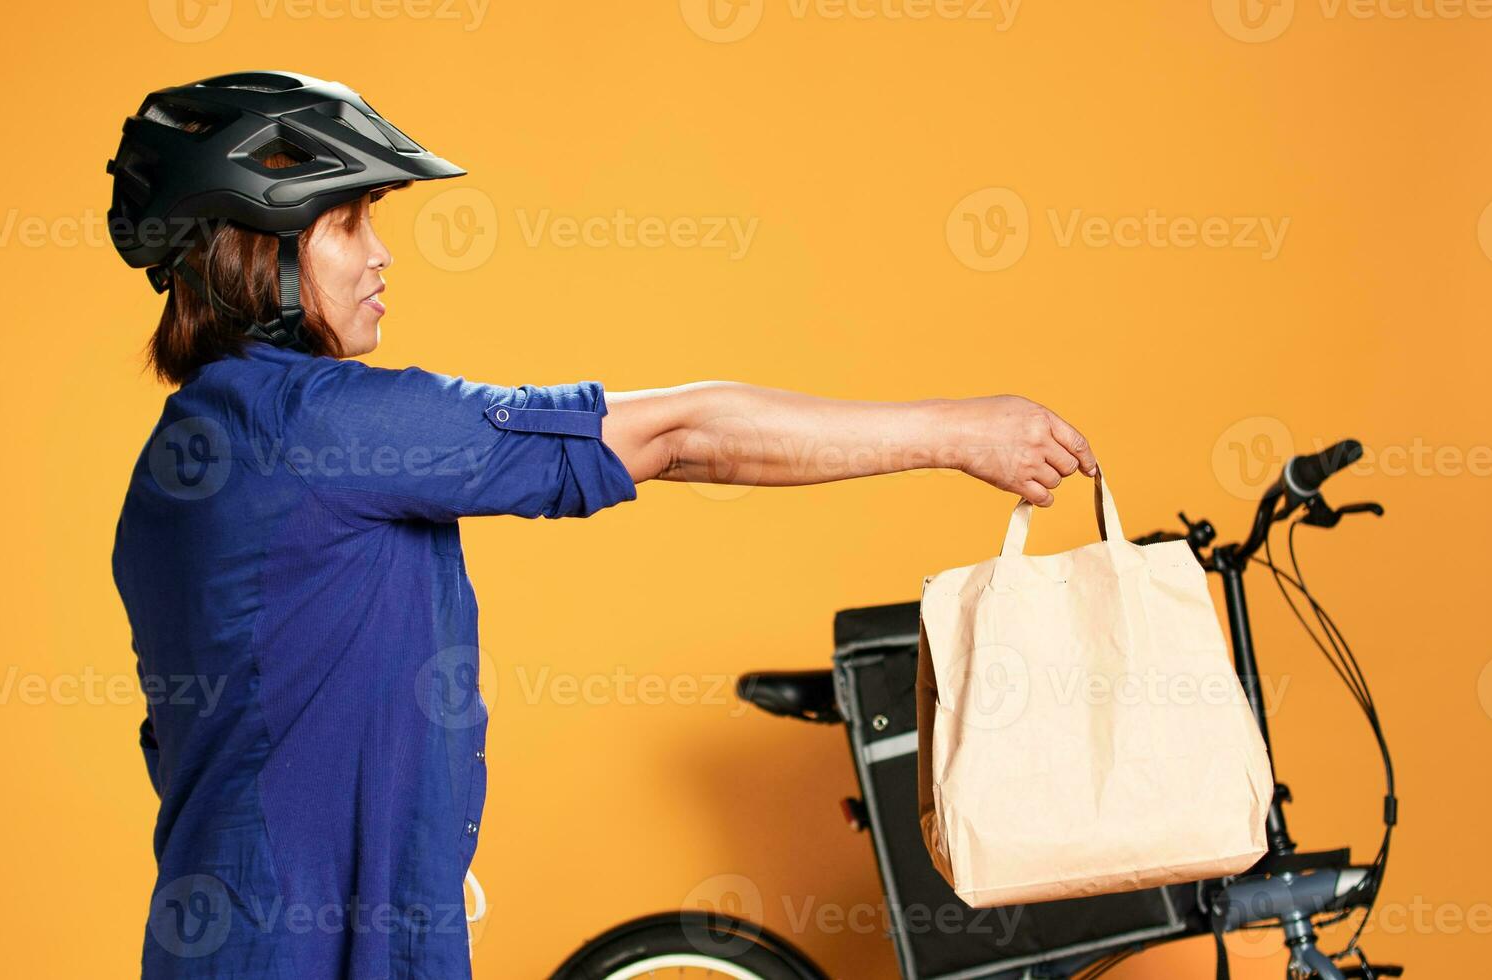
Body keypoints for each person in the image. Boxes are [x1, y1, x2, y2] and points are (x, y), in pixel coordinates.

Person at [106, 70, 1098, 980]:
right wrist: (959, 428)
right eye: (347, 221)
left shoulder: (174, 468)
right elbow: (675, 432)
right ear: (254, 245)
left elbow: (227, 730)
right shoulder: (324, 422)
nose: (380, 251)